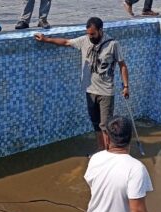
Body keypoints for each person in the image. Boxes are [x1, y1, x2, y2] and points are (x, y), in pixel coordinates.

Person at [34, 17, 129, 151]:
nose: (90, 36)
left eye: (93, 34)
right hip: (90, 91)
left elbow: (122, 65)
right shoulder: (84, 40)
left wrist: (126, 86)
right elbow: (66, 42)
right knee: (96, 124)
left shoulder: (113, 44)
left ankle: (109, 153)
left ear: (101, 30)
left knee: (105, 126)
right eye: (88, 33)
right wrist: (46, 39)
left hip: (106, 92)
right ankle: (100, 151)